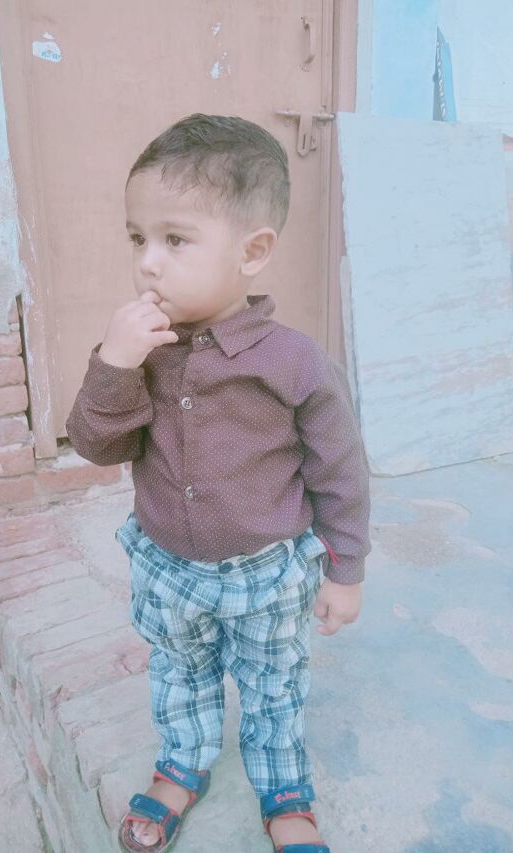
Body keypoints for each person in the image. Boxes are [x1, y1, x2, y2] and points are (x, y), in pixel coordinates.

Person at [66, 113, 371, 853]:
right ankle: (183, 762)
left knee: (274, 684)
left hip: (267, 574)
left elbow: (339, 469)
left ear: (253, 251)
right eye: (137, 238)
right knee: (179, 673)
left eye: (175, 240)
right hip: (168, 569)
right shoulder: (137, 350)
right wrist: (113, 364)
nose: (148, 263)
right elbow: (98, 444)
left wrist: (347, 569)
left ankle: (284, 787)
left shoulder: (294, 361)